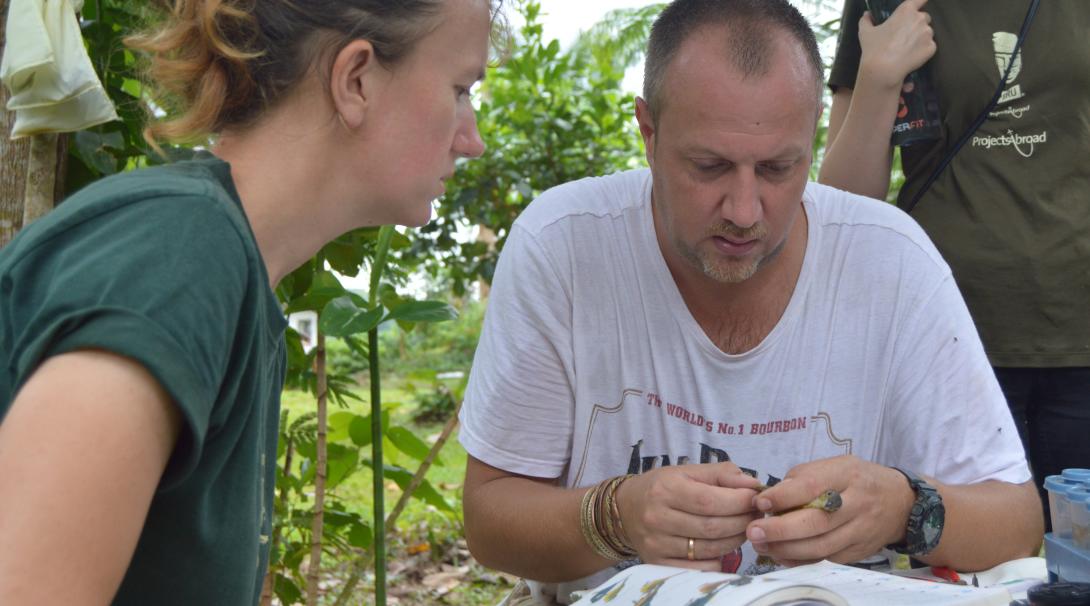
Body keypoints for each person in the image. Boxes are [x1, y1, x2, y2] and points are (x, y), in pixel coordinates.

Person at [458, 0, 1042, 603]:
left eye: (778, 168)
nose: (743, 210)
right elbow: (490, 517)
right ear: (648, 132)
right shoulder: (565, 245)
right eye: (709, 166)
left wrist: (904, 508)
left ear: (814, 133)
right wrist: (613, 517)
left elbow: (1017, 524)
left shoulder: (890, 261)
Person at [0, 0, 496, 604]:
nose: (471, 139)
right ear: (356, 79)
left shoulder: (232, 267)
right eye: (460, 89)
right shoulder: (179, 258)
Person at [820, 0, 1090, 531]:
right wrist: (878, 76)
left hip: (1078, 318)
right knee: (965, 564)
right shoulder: (885, 5)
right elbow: (844, 207)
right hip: (949, 335)